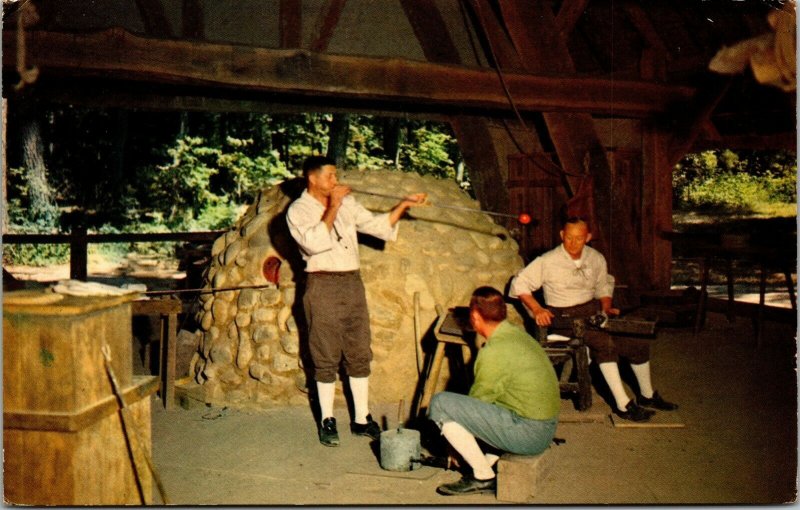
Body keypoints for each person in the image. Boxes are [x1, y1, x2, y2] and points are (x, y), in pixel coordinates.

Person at [286, 155, 426, 447]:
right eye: (330, 177)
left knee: (359, 350)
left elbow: (376, 226)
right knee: (324, 352)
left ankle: (362, 419)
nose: (335, 182)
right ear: (312, 178)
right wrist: (334, 205)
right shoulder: (297, 210)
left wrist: (402, 206)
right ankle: (327, 419)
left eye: (336, 176)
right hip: (321, 284)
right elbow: (312, 243)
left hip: (352, 283)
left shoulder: (347, 204)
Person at [509, 216, 678, 422]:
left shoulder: (595, 257)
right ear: (562, 235)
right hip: (563, 318)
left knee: (635, 341)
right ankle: (623, 405)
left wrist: (606, 308)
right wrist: (537, 309)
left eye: (578, 238)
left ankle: (647, 396)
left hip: (591, 313)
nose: (573, 243)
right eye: (568, 237)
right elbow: (520, 284)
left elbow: (603, 285)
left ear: (588, 237)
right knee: (603, 343)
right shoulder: (547, 260)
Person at [428, 286, 560, 496]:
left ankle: (482, 476)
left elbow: (471, 410)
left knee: (440, 404)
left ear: (475, 317)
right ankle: (488, 461)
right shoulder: (518, 335)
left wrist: (452, 446)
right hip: (545, 429)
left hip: (529, 435)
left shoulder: (493, 352)